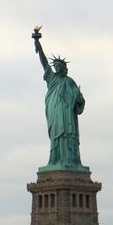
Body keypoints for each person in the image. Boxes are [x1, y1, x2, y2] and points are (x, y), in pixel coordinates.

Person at [33, 27, 87, 171]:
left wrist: (77, 98)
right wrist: (37, 43)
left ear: (64, 68)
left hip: (66, 113)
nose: (57, 68)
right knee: (56, 135)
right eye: (55, 66)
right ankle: (55, 160)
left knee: (67, 134)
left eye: (59, 66)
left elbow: (80, 99)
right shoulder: (51, 78)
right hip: (54, 111)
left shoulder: (69, 82)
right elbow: (44, 62)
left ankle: (70, 160)